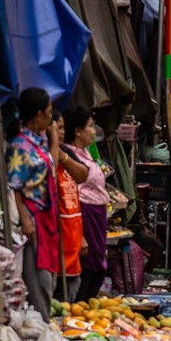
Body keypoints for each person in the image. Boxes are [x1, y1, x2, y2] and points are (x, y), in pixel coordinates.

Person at [8, 88, 64, 318]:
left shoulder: (39, 142)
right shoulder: (20, 146)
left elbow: (50, 165)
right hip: (32, 217)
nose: (51, 118)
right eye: (49, 113)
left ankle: (44, 321)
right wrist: (24, 219)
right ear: (38, 115)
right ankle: (41, 324)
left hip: (47, 218)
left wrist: (52, 137)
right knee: (37, 276)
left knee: (48, 276)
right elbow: (15, 187)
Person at [63, 105, 111, 302]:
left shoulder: (86, 153)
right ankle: (80, 305)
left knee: (97, 263)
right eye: (90, 126)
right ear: (77, 131)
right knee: (89, 264)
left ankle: (85, 307)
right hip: (85, 213)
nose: (94, 131)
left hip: (96, 213)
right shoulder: (70, 155)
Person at [53, 108, 88, 281]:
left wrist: (64, 158)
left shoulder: (66, 152)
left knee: (74, 282)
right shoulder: (41, 154)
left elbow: (82, 175)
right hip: (55, 235)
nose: (61, 133)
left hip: (73, 232)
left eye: (62, 128)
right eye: (58, 128)